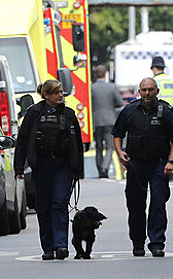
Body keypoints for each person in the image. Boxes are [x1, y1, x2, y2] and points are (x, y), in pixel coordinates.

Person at [112, 77, 173, 257]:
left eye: (150, 90)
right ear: (139, 91)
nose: (147, 93)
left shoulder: (166, 111)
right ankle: (138, 242)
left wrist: (171, 161)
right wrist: (120, 153)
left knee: (158, 203)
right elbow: (117, 134)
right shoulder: (129, 110)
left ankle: (157, 243)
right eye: (144, 90)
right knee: (135, 205)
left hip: (159, 164)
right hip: (135, 165)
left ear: (156, 91)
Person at [14, 79, 84, 261]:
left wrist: (78, 169)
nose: (61, 95)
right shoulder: (34, 114)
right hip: (41, 166)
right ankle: (48, 247)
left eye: (61, 92)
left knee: (59, 204)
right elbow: (22, 141)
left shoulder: (68, 114)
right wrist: (19, 167)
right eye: (56, 92)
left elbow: (77, 142)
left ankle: (61, 245)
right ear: (46, 95)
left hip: (63, 166)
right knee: (43, 207)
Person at [91, 64, 124, 178]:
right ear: (105, 74)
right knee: (110, 147)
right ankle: (105, 168)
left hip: (96, 121)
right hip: (110, 120)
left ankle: (100, 169)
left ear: (96, 75)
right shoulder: (111, 87)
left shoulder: (91, 88)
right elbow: (120, 102)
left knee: (98, 147)